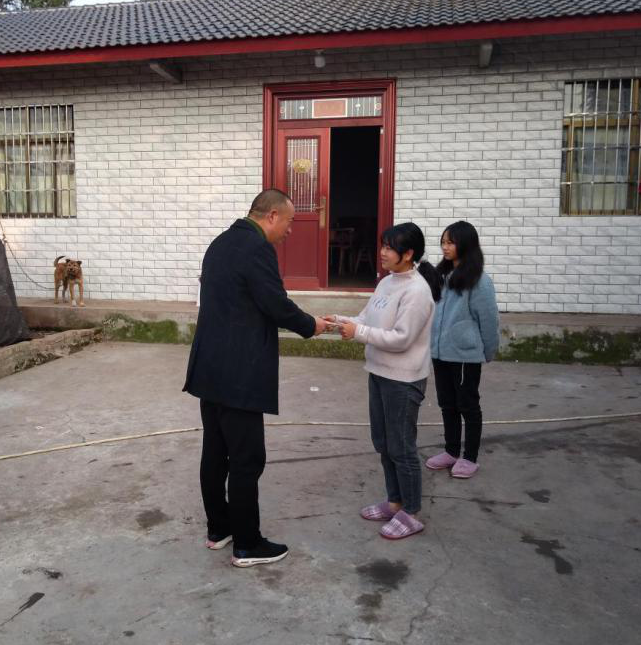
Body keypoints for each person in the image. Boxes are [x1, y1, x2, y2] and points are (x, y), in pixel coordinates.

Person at [184, 188, 327, 567]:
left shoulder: (220, 243)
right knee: (247, 458)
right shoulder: (257, 248)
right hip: (239, 373)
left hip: (210, 368)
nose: (291, 231)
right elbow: (275, 303)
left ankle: (219, 528)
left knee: (215, 452)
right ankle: (247, 544)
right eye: (289, 222)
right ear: (272, 216)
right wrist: (311, 324)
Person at [325, 222, 442, 540]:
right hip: (378, 373)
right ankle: (395, 502)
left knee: (401, 447)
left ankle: (411, 512)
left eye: (390, 248)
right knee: (383, 442)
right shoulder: (387, 282)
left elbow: (401, 338)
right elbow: (366, 319)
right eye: (383, 246)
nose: (383, 252)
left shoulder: (417, 292)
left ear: (409, 254)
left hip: (403, 380)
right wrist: (341, 321)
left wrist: (359, 332)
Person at [425, 221, 500, 479]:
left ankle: (470, 457)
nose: (445, 247)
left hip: (465, 355)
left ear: (465, 244)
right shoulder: (441, 276)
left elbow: (488, 320)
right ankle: (451, 451)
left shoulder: (479, 281)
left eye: (451, 242)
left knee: (467, 405)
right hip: (440, 353)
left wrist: (488, 351)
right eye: (443, 242)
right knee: (447, 404)